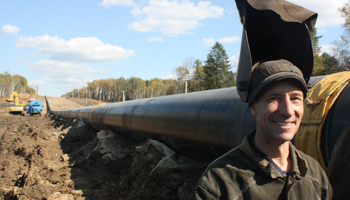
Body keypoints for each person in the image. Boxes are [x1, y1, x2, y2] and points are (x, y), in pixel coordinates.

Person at [191, 59, 333, 199]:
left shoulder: (314, 173)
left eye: (295, 98)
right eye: (275, 98)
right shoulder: (219, 181)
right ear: (253, 106)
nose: (288, 111)